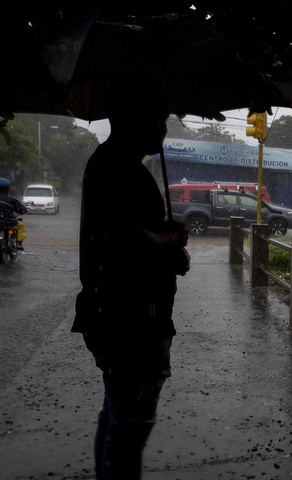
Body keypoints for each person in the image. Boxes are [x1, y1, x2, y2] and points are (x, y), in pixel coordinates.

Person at [72, 78, 190, 480]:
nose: (164, 129)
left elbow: (133, 237)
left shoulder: (116, 164)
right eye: (160, 118)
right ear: (135, 119)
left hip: (124, 317)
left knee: (118, 416)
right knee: (130, 428)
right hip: (128, 324)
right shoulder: (117, 168)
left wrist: (168, 249)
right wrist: (171, 239)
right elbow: (123, 241)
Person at [0, 178, 27, 249]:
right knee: (21, 227)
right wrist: (24, 210)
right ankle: (19, 244)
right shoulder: (11, 199)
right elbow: (21, 209)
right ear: (7, 188)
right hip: (9, 221)